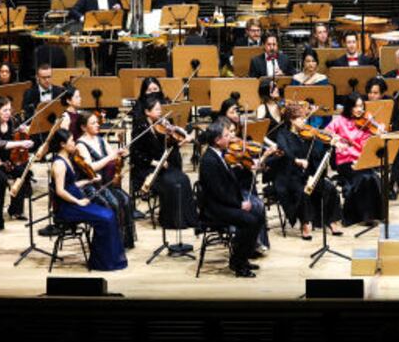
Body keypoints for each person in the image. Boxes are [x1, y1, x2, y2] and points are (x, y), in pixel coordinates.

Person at [46, 129, 127, 272]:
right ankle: (102, 262)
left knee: (109, 214)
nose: (74, 143)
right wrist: (78, 202)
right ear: (62, 144)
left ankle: (104, 259)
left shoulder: (67, 159)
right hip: (68, 207)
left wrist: (88, 180)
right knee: (106, 218)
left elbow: (71, 185)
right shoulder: (59, 164)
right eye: (71, 141)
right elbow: (60, 190)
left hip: (75, 201)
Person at [127, 94, 198, 255]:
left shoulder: (161, 126)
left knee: (183, 178)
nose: (160, 112)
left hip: (162, 166)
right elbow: (136, 155)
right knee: (172, 184)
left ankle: (188, 219)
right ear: (147, 112)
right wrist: (153, 162)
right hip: (146, 170)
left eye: (160, 109)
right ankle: (170, 220)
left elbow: (167, 146)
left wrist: (176, 140)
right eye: (157, 109)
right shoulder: (140, 129)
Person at [198, 121, 263, 277]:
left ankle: (242, 257)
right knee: (250, 221)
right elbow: (218, 192)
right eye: (227, 136)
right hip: (214, 208)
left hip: (223, 203)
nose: (231, 138)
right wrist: (239, 204)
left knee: (258, 214)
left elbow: (228, 186)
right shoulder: (209, 161)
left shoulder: (219, 154)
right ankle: (238, 264)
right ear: (217, 140)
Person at [272, 100, 344, 239]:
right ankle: (306, 222)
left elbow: (315, 154)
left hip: (308, 173)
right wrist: (296, 160)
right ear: (292, 120)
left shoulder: (306, 134)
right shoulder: (283, 134)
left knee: (329, 188)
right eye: (301, 118)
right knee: (302, 191)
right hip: (290, 175)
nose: (304, 120)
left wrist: (330, 143)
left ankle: (332, 221)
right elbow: (285, 151)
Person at [76, 110, 135, 249]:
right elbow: (91, 167)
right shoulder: (80, 145)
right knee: (112, 204)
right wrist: (110, 157)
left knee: (126, 200)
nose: (98, 125)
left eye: (97, 122)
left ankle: (124, 241)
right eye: (93, 123)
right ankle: (112, 243)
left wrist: (121, 154)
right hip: (91, 185)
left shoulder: (100, 140)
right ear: (84, 127)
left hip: (106, 183)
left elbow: (114, 157)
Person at [326, 96, 384, 227]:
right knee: (363, 178)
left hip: (362, 160)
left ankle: (372, 215)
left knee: (373, 177)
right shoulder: (340, 121)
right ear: (349, 107)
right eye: (356, 106)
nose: (360, 109)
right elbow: (326, 133)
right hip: (345, 161)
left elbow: (371, 143)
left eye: (361, 106)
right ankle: (357, 216)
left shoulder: (366, 122)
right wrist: (336, 139)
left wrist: (379, 133)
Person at [0, 98, 36, 220]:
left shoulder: (11, 122)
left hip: (7, 160)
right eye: (5, 110)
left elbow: (13, 135)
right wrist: (21, 143)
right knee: (1, 179)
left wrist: (20, 130)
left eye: (9, 110)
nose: (8, 113)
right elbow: (0, 143)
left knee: (22, 172)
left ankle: (16, 210)